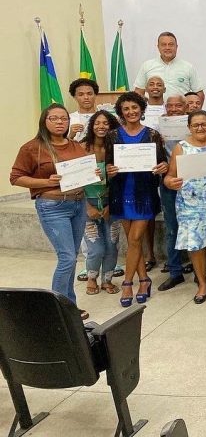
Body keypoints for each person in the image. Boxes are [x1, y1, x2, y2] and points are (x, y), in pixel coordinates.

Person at [10, 104, 92, 319]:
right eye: (54, 118)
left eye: (63, 118)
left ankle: (69, 305)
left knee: (72, 257)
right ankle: (57, 310)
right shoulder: (32, 147)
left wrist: (93, 173)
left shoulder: (76, 146)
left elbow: (84, 172)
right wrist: (46, 182)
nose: (59, 122)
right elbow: (16, 178)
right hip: (53, 206)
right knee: (67, 257)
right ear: (44, 121)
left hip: (78, 204)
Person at [105, 92, 168, 307]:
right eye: (126, 109)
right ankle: (144, 280)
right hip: (121, 193)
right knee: (134, 242)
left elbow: (163, 162)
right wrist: (109, 169)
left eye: (134, 107)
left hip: (144, 194)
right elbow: (108, 164)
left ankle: (127, 283)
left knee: (134, 239)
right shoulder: (112, 135)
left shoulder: (153, 134)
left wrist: (163, 167)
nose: (131, 112)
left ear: (141, 109)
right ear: (121, 112)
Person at [164, 110, 206, 304]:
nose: (200, 128)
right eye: (196, 125)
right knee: (196, 244)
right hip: (190, 205)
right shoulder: (181, 147)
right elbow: (169, 176)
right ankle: (202, 283)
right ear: (189, 127)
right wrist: (170, 183)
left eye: (204, 124)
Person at [81, 110, 122, 296]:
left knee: (112, 246)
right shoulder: (81, 148)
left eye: (106, 123)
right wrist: (86, 206)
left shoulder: (116, 149)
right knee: (96, 248)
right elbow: (73, 180)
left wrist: (110, 205)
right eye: (97, 123)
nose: (101, 126)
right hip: (87, 203)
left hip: (111, 203)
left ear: (112, 127)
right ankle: (91, 278)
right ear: (91, 125)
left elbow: (122, 181)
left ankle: (107, 280)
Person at [157, 94, 192, 291]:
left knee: (196, 225)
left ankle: (201, 271)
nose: (174, 109)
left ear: (186, 107)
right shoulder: (158, 128)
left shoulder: (195, 125)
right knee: (172, 228)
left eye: (178, 105)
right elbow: (152, 155)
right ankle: (175, 271)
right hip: (170, 182)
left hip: (194, 182)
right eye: (169, 106)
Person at [134, 32, 205, 101]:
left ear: (176, 47)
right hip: (153, 109)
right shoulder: (147, 66)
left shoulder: (188, 67)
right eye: (163, 45)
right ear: (158, 47)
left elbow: (199, 94)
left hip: (180, 109)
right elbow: (139, 92)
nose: (167, 48)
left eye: (171, 44)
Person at [67, 77, 98, 142]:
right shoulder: (68, 119)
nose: (86, 97)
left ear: (95, 95)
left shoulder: (105, 117)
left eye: (89, 94)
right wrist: (70, 136)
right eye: (81, 94)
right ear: (74, 97)